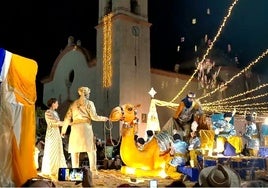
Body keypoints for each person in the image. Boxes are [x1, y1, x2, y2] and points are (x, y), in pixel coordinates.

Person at [61, 87, 109, 174]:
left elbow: (67, 118)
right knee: (91, 150)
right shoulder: (90, 103)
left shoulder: (73, 104)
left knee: (75, 151)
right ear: (87, 94)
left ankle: (75, 173)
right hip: (85, 128)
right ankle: (93, 171)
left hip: (75, 128)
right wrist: (103, 118)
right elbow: (94, 117)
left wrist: (63, 130)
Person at [41, 98, 67, 179]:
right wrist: (65, 123)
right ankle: (52, 170)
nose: (58, 105)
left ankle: (59, 170)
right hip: (51, 133)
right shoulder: (48, 112)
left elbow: (58, 123)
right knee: (52, 151)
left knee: (59, 151)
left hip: (56, 133)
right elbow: (53, 123)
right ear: (53, 104)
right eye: (56, 103)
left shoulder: (55, 112)